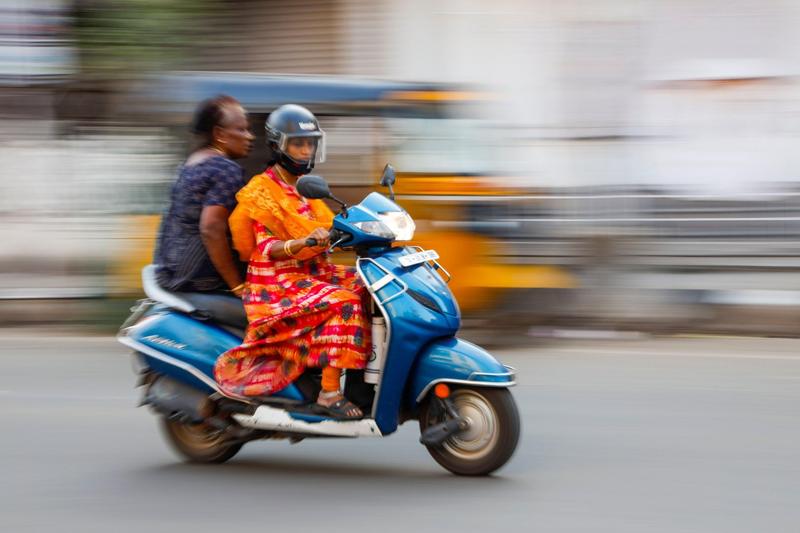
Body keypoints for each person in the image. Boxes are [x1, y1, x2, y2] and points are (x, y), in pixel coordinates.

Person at [214, 104, 370, 419]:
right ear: (278, 146)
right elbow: (266, 246)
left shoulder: (304, 189)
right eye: (298, 143)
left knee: (369, 285)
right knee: (343, 302)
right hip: (276, 280)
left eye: (310, 144)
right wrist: (302, 242)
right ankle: (328, 392)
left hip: (313, 271)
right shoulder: (262, 191)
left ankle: (361, 373)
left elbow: (329, 228)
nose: (305, 151)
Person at [153, 95, 254, 312]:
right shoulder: (225, 169)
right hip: (195, 275)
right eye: (242, 130)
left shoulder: (191, 162)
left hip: (169, 268)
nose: (249, 137)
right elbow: (211, 228)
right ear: (219, 134)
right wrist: (237, 286)